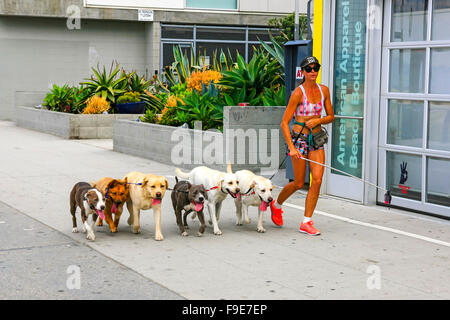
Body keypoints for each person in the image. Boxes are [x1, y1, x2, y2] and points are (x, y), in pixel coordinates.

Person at [270, 56, 335, 235]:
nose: (313, 71)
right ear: (303, 72)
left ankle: (306, 221)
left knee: (318, 179)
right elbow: (284, 123)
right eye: (309, 69)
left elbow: (331, 116)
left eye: (316, 68)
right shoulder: (298, 93)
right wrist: (291, 147)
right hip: (299, 139)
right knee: (298, 182)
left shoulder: (324, 91)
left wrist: (318, 120)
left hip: (317, 139)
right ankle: (276, 205)